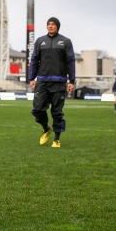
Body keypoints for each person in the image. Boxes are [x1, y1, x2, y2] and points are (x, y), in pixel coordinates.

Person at [29, 17, 75, 148]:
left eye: (53, 24)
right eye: (48, 24)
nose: (50, 26)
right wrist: (32, 78)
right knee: (37, 109)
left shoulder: (66, 41)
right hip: (42, 81)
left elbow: (70, 61)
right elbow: (34, 60)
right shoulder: (40, 41)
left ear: (57, 26)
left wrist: (71, 80)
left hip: (59, 82)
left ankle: (57, 139)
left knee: (56, 112)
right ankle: (45, 129)